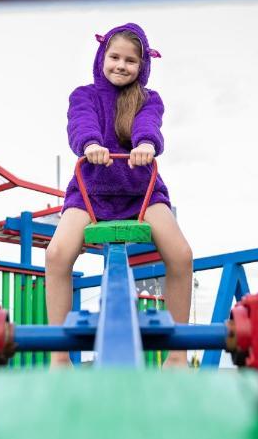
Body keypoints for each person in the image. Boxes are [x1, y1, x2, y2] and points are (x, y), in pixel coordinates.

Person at [45, 22, 193, 368]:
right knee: (56, 255)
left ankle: (177, 354)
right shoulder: (84, 95)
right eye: (114, 57)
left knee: (182, 255)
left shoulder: (147, 98)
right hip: (91, 191)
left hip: (140, 192)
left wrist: (145, 145)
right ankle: (60, 356)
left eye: (130, 60)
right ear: (102, 57)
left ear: (142, 67)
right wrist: (91, 144)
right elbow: (80, 123)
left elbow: (148, 124)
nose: (121, 65)